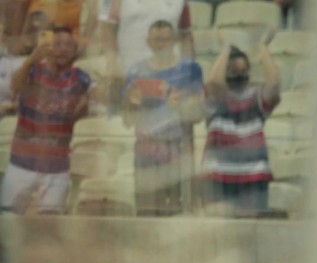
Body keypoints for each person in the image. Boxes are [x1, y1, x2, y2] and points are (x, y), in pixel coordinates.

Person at [0, 28, 92, 214]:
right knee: (7, 223)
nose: (62, 49)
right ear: (47, 48)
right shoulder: (32, 71)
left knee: (49, 229)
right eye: (57, 44)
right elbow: (14, 86)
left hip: (57, 169)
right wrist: (31, 59)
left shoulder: (81, 78)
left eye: (68, 45)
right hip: (21, 164)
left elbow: (101, 96)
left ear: (75, 50)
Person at [122, 20, 204, 216]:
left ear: (175, 40)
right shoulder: (135, 71)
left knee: (176, 211)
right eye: (156, 40)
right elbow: (127, 120)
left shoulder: (190, 69)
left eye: (165, 40)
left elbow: (199, 113)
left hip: (178, 148)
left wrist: (180, 103)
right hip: (145, 152)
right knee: (145, 210)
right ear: (148, 42)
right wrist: (133, 103)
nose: (161, 44)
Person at [201, 30, 280, 217]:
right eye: (234, 71)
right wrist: (226, 49)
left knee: (252, 235)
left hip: (253, 175)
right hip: (218, 174)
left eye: (244, 71)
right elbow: (214, 82)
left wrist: (262, 48)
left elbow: (274, 84)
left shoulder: (256, 98)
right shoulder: (216, 100)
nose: (240, 75)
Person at [101, 0, 195, 109]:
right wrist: (112, 64)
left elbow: (186, 35)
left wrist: (189, 74)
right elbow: (105, 28)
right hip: (129, 77)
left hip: (170, 80)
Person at [6, 0, 99, 56]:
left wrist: (84, 41)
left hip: (65, 42)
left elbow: (94, 16)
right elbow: (21, 7)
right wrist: (16, 37)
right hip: (34, 37)